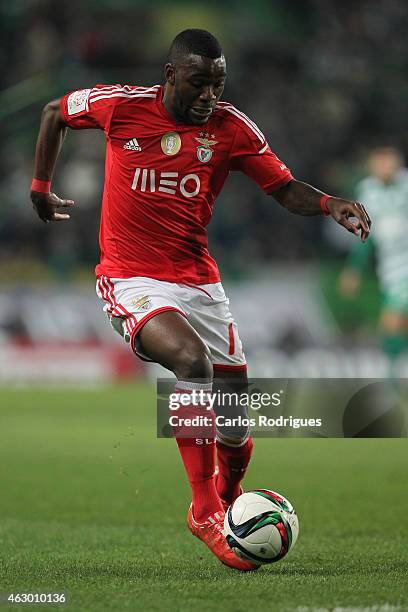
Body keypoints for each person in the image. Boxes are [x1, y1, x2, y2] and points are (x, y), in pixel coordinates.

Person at [31, 28, 370, 571]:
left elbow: (282, 188)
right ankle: (205, 509)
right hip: (130, 276)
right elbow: (52, 111)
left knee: (235, 422)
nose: (210, 94)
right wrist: (40, 185)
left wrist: (329, 203)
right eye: (199, 82)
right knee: (192, 365)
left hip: (199, 282)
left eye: (218, 83)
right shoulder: (121, 107)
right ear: (171, 76)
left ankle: (233, 494)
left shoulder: (232, 127)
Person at [338, 147, 408, 373]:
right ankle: (395, 379)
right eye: (380, 162)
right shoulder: (367, 191)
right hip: (389, 265)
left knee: (392, 320)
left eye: (389, 161)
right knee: (396, 323)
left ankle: (392, 380)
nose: (386, 166)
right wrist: (354, 269)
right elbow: (364, 232)